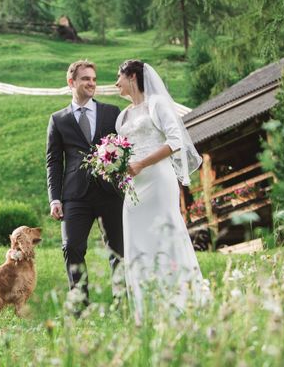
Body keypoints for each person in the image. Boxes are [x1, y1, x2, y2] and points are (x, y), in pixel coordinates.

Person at [115, 59, 204, 323]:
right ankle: (147, 308)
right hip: (134, 186)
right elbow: (124, 150)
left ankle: (181, 300)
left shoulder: (157, 104)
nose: (115, 83)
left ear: (132, 76)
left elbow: (176, 141)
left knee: (165, 233)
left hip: (157, 179)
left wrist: (142, 163)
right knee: (137, 239)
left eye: (118, 77)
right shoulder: (124, 115)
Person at [46, 60, 124, 308]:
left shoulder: (112, 113)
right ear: (72, 82)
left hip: (110, 192)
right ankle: (80, 304)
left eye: (93, 78)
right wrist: (55, 198)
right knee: (71, 247)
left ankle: (120, 303)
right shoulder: (58, 119)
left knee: (118, 250)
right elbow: (54, 162)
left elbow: (126, 150)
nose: (91, 83)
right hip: (74, 194)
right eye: (85, 79)